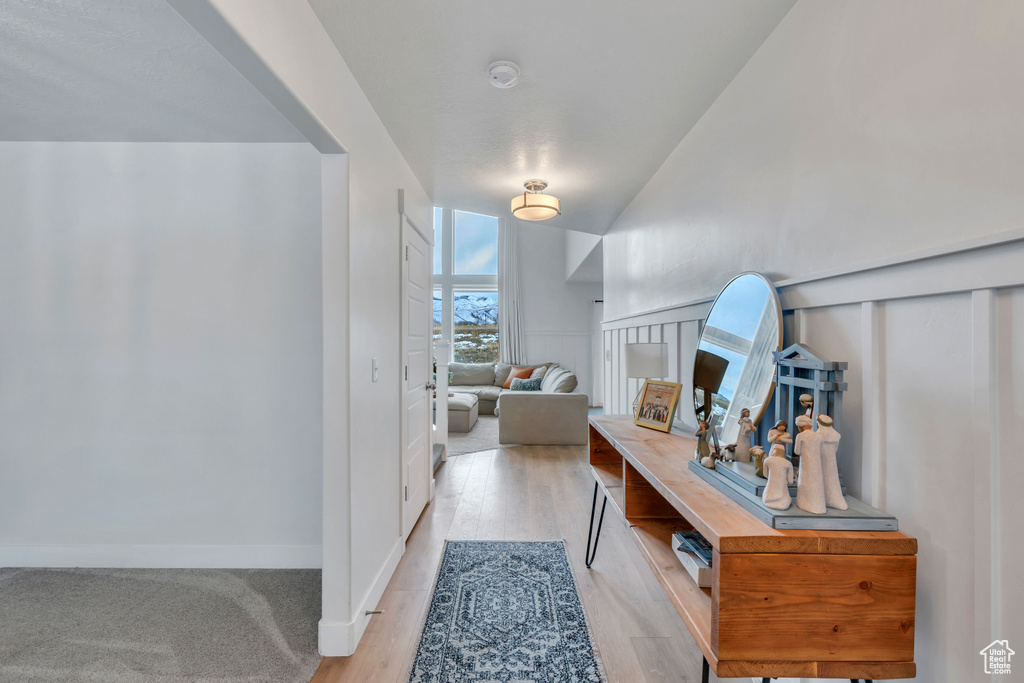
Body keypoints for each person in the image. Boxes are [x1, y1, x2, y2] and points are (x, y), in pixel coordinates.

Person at [793, 415, 825, 514]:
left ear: (801, 426)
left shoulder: (801, 436)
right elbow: (821, 451)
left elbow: (797, 451)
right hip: (817, 463)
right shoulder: (819, 436)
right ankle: (818, 505)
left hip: (805, 462)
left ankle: (804, 503)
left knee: (805, 482)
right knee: (816, 482)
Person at [817, 414, 848, 510]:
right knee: (832, 478)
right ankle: (828, 498)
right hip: (832, 460)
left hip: (822, 459)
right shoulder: (835, 435)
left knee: (826, 477)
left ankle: (828, 499)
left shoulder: (819, 435)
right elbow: (835, 448)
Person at [762, 444, 794, 510]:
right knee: (785, 501)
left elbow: (765, 475)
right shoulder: (788, 463)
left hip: (768, 496)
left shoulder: (767, 460)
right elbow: (790, 481)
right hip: (783, 495)